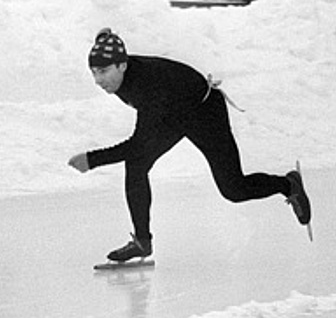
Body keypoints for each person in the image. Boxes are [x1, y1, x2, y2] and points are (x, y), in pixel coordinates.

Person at [68, 28, 311, 263]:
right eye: (94, 72)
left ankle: (287, 184)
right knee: (136, 166)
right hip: (173, 113)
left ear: (122, 65)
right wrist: (104, 36)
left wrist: (92, 159)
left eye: (103, 71)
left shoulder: (145, 87)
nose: (98, 81)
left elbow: (137, 145)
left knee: (233, 189)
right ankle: (142, 242)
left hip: (203, 112)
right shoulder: (121, 72)